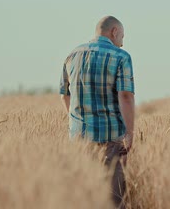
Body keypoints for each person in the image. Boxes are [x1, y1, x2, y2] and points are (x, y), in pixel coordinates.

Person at [59, 16, 136, 208]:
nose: (122, 42)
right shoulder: (121, 56)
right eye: (122, 37)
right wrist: (130, 133)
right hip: (110, 140)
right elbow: (126, 96)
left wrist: (77, 120)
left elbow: (64, 95)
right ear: (114, 32)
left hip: (79, 140)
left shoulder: (71, 55)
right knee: (114, 200)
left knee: (82, 199)